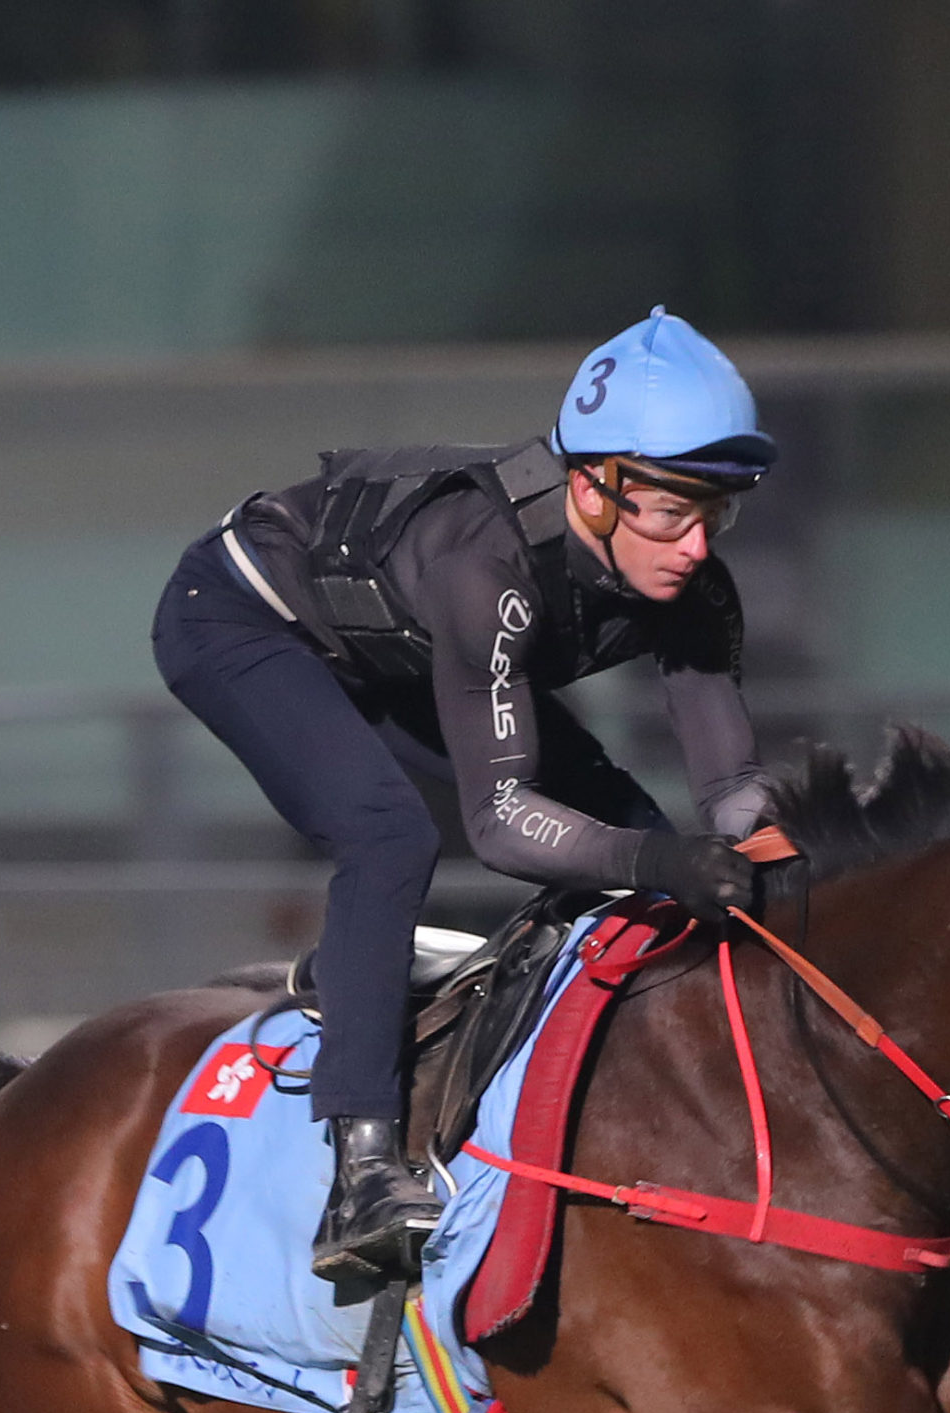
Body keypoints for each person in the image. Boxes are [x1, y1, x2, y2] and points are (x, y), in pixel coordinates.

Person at [153, 306, 778, 1289]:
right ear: (593, 485)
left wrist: (777, 863)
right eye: (671, 510)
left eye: (717, 512)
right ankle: (361, 1171)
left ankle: (466, 1004)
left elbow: (734, 790)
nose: (696, 546)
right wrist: (664, 863)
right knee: (389, 834)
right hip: (246, 622)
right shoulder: (487, 566)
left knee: (634, 833)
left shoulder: (695, 583)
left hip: (397, 646)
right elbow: (500, 823)